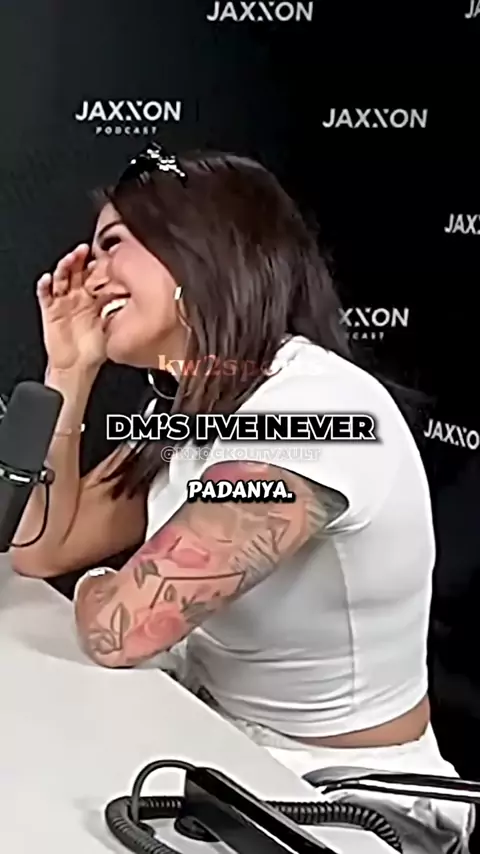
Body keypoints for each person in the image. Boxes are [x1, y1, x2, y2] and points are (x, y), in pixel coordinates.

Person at [10, 143, 473, 847]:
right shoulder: (196, 410)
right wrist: (69, 372)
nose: (93, 275)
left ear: (201, 246)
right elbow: (42, 550)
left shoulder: (313, 409)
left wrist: (104, 586)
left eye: (113, 244)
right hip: (217, 754)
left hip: (349, 806)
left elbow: (120, 630)